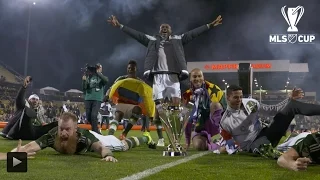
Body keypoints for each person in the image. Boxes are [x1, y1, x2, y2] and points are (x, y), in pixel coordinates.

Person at [107, 15, 223, 147]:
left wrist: (209, 25)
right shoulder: (152, 40)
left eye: (166, 28)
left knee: (176, 108)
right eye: (162, 28)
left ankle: (175, 139)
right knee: (159, 109)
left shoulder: (178, 39)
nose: (164, 29)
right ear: (159, 30)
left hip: (173, 76)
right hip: (158, 77)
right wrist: (120, 25)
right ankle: (162, 138)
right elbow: (136, 35)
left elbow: (193, 34)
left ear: (171, 31)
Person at [220, 84, 320, 159]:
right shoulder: (225, 121)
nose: (240, 100)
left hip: (266, 133)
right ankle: (290, 156)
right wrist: (226, 149)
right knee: (263, 147)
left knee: (291, 106)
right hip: (253, 145)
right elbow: (229, 143)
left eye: (241, 96)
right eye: (236, 97)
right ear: (228, 97)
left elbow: (273, 109)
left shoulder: (250, 103)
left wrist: (289, 99)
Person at [12, 112, 156, 162]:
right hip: (96, 138)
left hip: (100, 141)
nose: (63, 133)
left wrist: (108, 156)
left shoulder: (83, 136)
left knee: (122, 146)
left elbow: (101, 148)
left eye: (67, 130)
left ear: (75, 129)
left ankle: (145, 138)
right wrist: (16, 152)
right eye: (61, 128)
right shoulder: (53, 135)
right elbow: (32, 146)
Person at [182, 68, 226, 151]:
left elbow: (226, 111)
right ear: (190, 79)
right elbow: (186, 119)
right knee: (199, 146)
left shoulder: (214, 90)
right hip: (199, 127)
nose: (197, 79)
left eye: (199, 76)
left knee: (215, 105)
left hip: (214, 125)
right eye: (194, 77)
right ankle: (215, 145)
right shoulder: (187, 95)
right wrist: (187, 142)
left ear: (203, 78)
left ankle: (219, 137)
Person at [82, 63, 108, 134]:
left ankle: (96, 132)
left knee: (94, 115)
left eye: (98, 67)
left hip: (97, 98)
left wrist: (98, 73)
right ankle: (96, 130)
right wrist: (84, 80)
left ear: (101, 68)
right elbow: (84, 88)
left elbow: (106, 80)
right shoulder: (89, 77)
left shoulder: (101, 77)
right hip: (88, 98)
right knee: (88, 117)